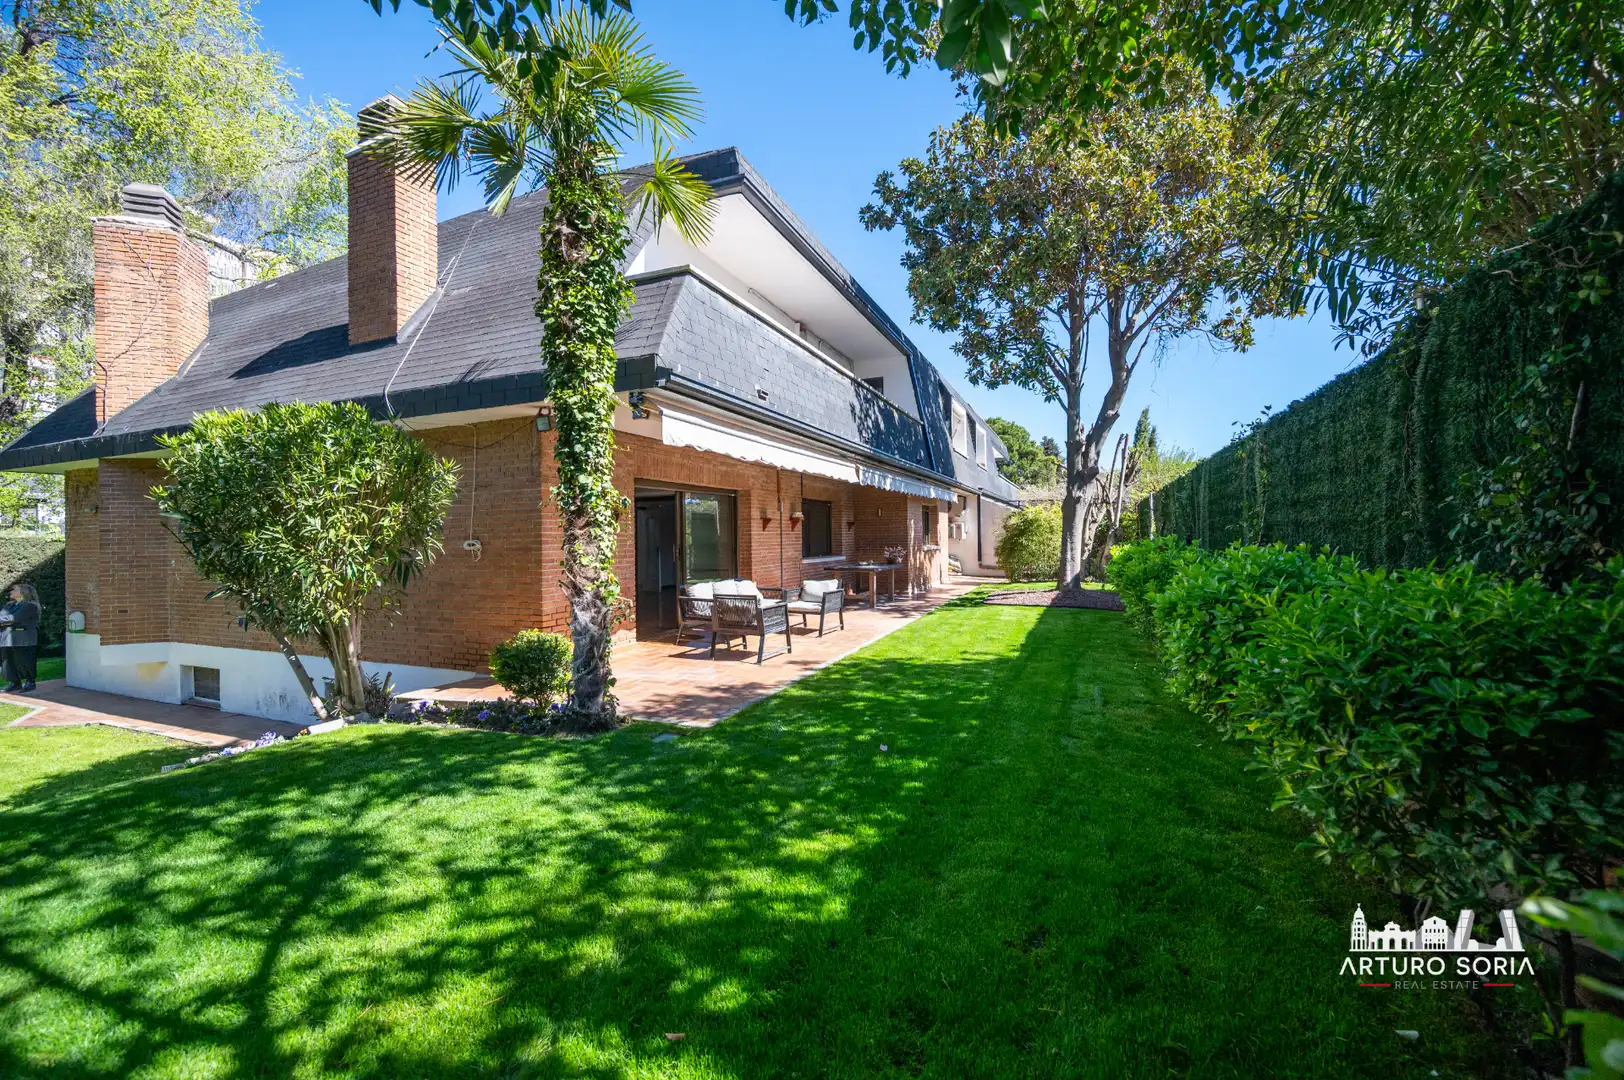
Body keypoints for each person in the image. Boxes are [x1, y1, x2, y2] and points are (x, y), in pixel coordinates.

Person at [0, 583, 42, 693]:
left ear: (23, 592)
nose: (11, 592)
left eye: (14, 590)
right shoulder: (9, 605)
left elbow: (13, 618)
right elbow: (3, 617)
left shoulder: (30, 605)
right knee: (8, 661)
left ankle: (30, 681)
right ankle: (15, 682)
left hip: (24, 638)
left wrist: (5, 621)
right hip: (7, 638)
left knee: (25, 660)